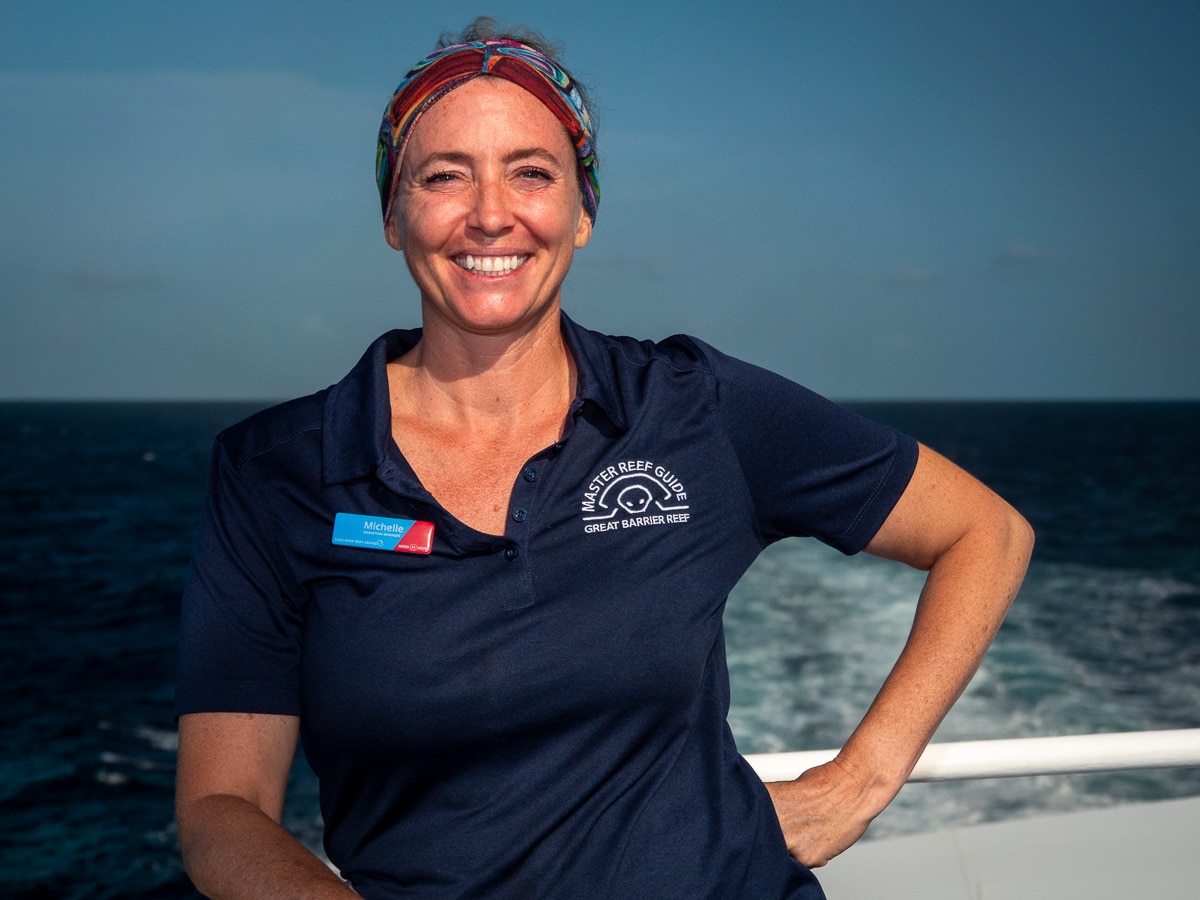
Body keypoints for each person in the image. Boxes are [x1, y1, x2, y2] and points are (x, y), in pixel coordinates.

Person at [174, 18, 1033, 899]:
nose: (490, 213)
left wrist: (859, 783)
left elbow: (985, 532)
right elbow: (220, 806)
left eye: (532, 173)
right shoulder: (274, 472)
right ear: (393, 217)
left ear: (583, 212)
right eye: (443, 177)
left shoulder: (696, 406)